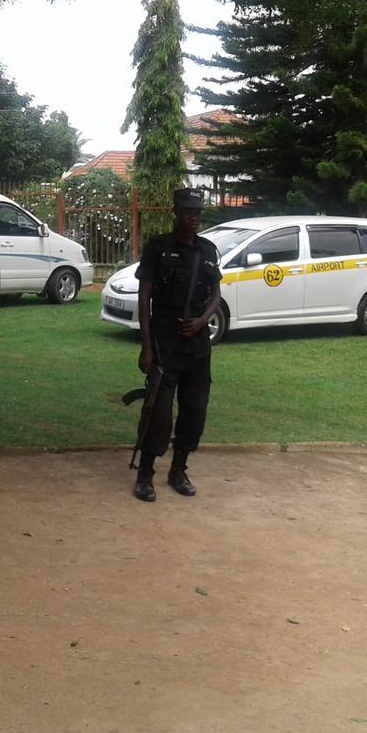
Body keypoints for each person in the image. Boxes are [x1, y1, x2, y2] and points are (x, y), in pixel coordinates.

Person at [131, 187, 222, 502]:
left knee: (194, 411)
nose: (193, 217)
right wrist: (146, 346)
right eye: (187, 212)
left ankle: (179, 469)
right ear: (176, 213)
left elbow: (216, 293)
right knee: (158, 414)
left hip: (198, 348)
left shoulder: (208, 251)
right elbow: (144, 296)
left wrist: (203, 320)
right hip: (165, 343)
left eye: (197, 212)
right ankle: (145, 474)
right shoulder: (158, 248)